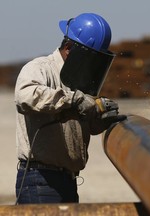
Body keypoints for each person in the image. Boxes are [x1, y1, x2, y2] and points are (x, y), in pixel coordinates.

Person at [14, 13, 125, 204]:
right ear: (69, 48)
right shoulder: (40, 68)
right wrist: (75, 100)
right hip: (40, 181)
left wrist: (99, 119)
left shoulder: (76, 80)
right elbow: (25, 97)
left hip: (66, 180)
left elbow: (77, 126)